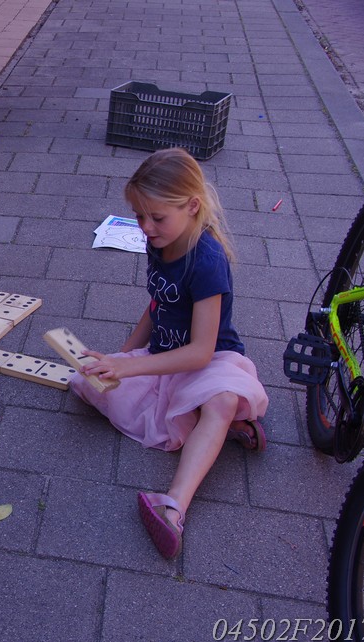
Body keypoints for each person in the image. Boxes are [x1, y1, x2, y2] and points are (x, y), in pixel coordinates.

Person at [71, 147, 268, 560]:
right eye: (140, 216)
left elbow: (200, 353)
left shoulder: (207, 260)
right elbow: (157, 304)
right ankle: (221, 427)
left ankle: (173, 507)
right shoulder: (159, 242)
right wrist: (121, 358)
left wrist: (131, 367)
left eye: (156, 218)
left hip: (211, 363)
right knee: (83, 383)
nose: (146, 227)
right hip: (164, 361)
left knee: (221, 400)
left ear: (192, 206)